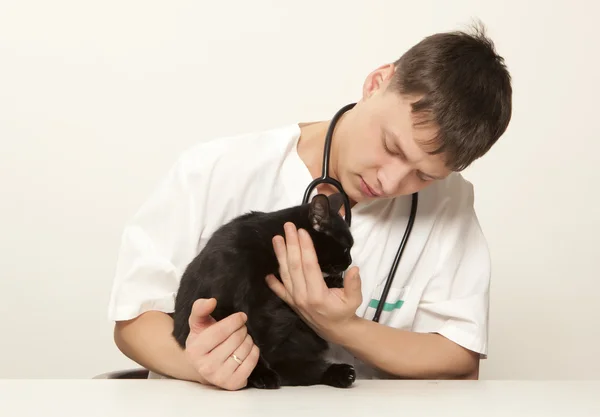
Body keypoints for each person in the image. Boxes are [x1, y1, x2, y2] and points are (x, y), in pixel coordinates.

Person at [107, 23, 512, 390]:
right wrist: (207, 367)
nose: (390, 181)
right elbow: (132, 320)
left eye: (423, 176)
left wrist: (343, 327)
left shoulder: (449, 205)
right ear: (376, 83)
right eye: (391, 146)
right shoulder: (217, 168)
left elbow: (459, 358)